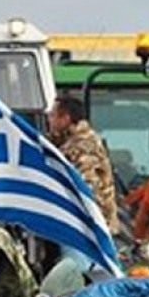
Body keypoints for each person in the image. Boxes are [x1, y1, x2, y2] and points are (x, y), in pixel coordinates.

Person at [47, 94, 120, 234]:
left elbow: (87, 188)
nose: (49, 120)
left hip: (89, 227)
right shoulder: (68, 141)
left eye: (52, 115)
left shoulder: (83, 146)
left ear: (65, 118)